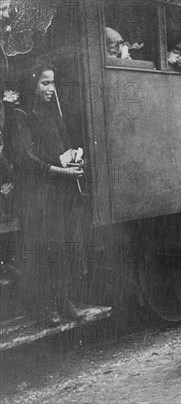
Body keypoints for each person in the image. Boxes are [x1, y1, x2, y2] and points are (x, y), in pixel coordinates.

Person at [11, 63, 85, 325]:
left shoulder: (52, 113)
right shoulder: (21, 116)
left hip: (58, 193)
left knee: (61, 247)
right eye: (45, 83)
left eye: (52, 83)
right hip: (37, 195)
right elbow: (26, 160)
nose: (51, 89)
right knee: (42, 249)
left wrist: (74, 160)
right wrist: (61, 171)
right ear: (32, 86)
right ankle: (42, 307)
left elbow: (60, 149)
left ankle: (62, 300)